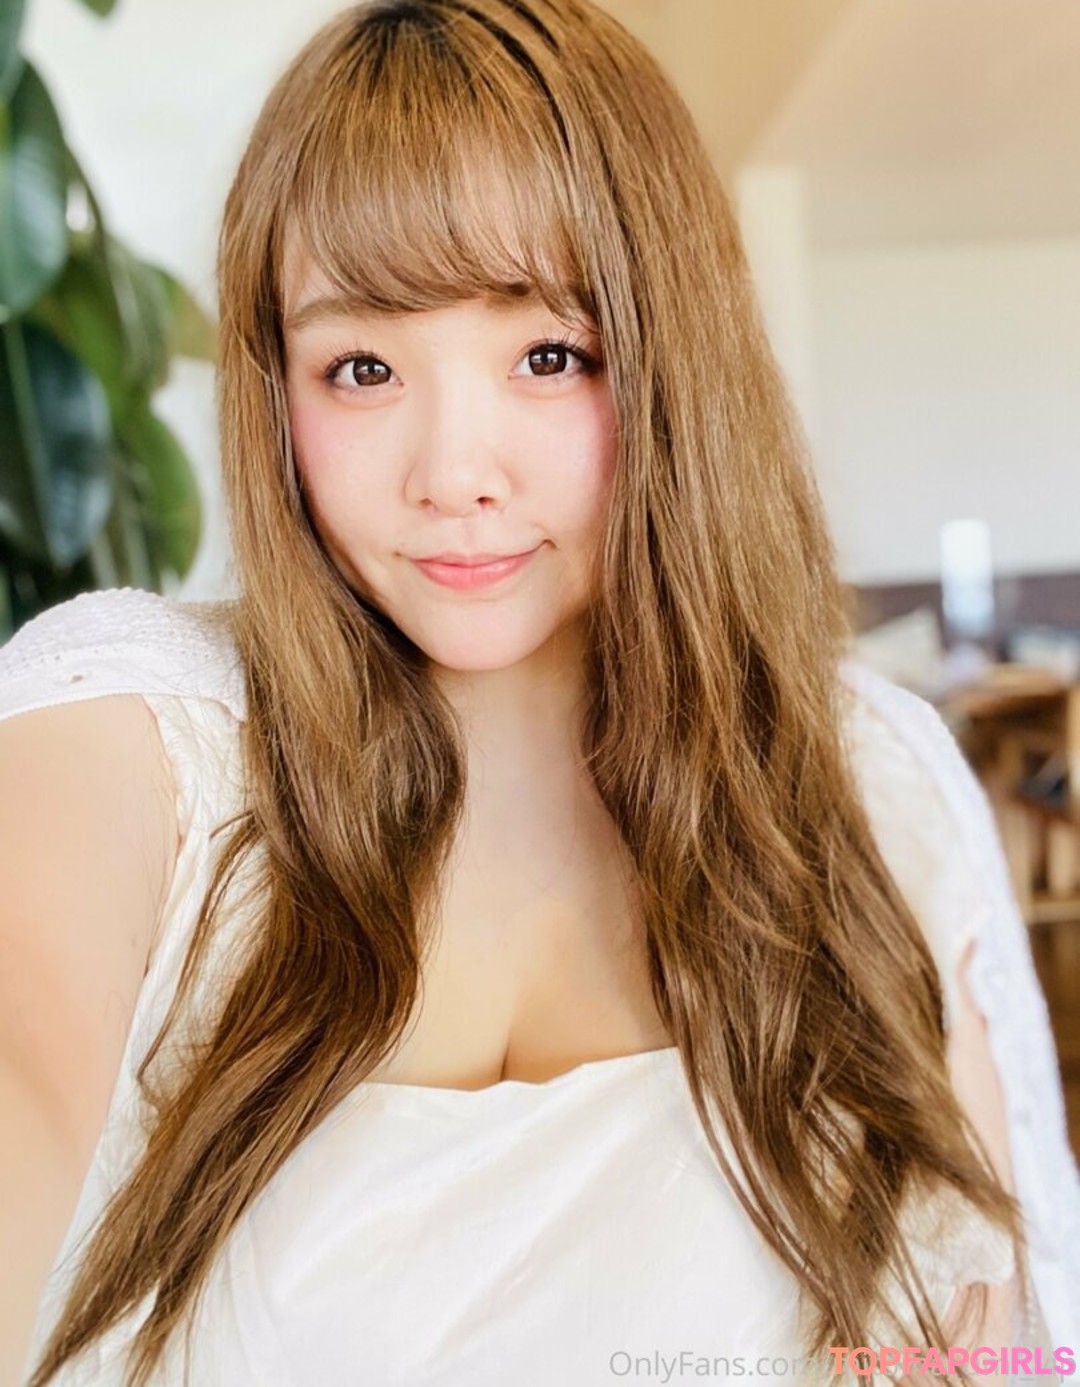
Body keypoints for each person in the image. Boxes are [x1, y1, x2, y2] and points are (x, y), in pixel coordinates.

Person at [1, 1, 1077, 1383]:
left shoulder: (866, 785)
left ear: (674, 358)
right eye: (362, 369)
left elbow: (1007, 1319)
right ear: (278, 392)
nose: (455, 472)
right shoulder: (137, 734)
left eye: (549, 356)